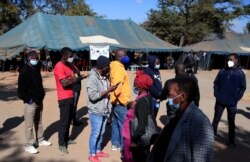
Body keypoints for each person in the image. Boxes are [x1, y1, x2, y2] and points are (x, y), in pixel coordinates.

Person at [147, 77, 214, 162]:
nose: (168, 98)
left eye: (170, 95)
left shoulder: (200, 123)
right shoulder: (176, 114)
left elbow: (201, 158)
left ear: (182, 97)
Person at [18, 50, 51, 154]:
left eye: (37, 58)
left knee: (39, 121)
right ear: (28, 59)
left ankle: (40, 140)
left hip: (39, 99)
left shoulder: (36, 67)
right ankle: (28, 145)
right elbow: (21, 91)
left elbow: (47, 65)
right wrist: (28, 99)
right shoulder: (24, 71)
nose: (35, 60)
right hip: (30, 102)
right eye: (33, 58)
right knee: (29, 125)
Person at [53, 47, 86, 154]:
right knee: (64, 122)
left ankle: (67, 139)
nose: (72, 58)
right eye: (70, 56)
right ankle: (62, 144)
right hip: (64, 98)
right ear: (65, 56)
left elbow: (74, 76)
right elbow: (65, 83)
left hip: (71, 96)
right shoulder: (59, 66)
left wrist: (73, 79)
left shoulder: (68, 65)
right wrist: (74, 79)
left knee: (68, 120)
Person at [87, 56, 118, 162]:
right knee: (95, 133)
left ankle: (98, 150)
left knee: (102, 132)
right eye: (107, 66)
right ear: (102, 67)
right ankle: (92, 154)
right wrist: (108, 90)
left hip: (104, 109)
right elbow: (93, 96)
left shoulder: (104, 76)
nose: (109, 68)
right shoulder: (92, 78)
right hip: (96, 110)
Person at [212, 53, 246, 148]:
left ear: (236, 60)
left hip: (232, 103)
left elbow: (242, 88)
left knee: (231, 122)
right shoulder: (222, 71)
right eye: (228, 59)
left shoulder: (240, 73)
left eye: (231, 59)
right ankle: (211, 136)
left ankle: (231, 141)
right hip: (220, 101)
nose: (229, 61)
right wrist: (216, 94)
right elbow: (216, 83)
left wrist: (237, 98)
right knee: (216, 119)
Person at [122, 71, 155, 162]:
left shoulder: (142, 102)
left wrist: (134, 141)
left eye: (136, 84)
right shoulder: (145, 96)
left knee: (134, 158)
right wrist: (129, 105)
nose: (135, 85)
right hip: (132, 133)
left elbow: (142, 124)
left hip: (135, 136)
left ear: (140, 86)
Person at [110, 49, 131, 152]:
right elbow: (117, 86)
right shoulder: (118, 68)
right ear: (119, 57)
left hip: (116, 102)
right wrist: (122, 101)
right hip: (120, 102)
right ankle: (123, 146)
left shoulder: (117, 66)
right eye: (125, 55)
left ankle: (115, 143)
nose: (127, 57)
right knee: (124, 124)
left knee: (115, 123)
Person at [71, 60, 88, 126]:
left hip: (77, 88)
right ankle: (73, 120)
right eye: (79, 61)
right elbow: (74, 79)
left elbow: (77, 77)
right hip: (74, 88)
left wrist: (82, 76)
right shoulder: (72, 68)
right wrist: (82, 77)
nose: (80, 62)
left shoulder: (76, 67)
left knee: (75, 104)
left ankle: (73, 119)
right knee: (74, 105)